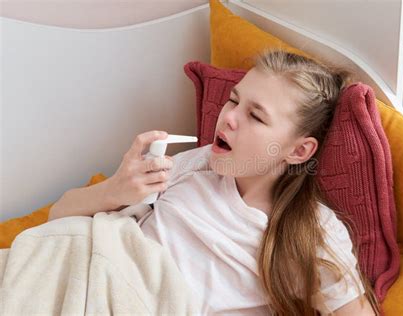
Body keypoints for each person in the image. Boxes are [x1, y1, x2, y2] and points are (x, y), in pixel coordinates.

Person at [48, 48, 381, 316]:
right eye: (234, 100)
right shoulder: (198, 163)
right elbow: (59, 215)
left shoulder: (313, 232)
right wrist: (116, 189)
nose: (229, 117)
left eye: (256, 116)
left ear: (298, 150)